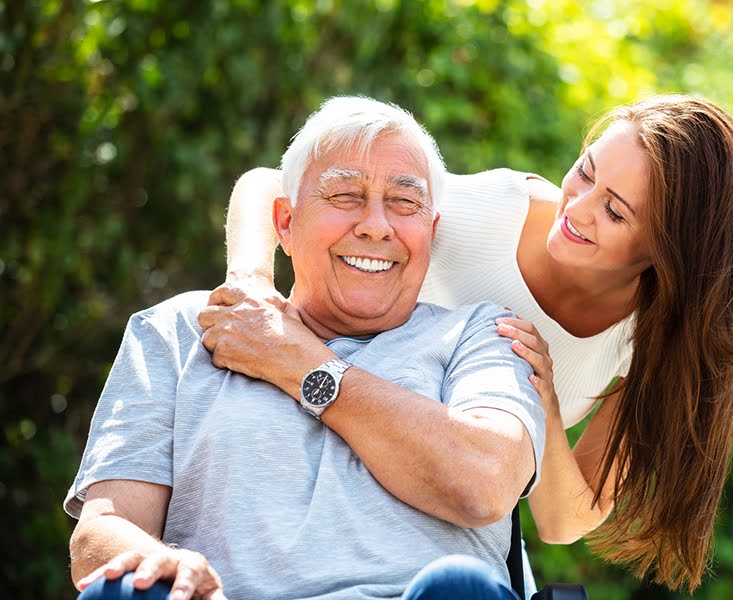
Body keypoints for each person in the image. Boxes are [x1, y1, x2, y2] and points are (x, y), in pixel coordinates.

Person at [209, 94, 733, 592]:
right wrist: (253, 286)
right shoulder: (494, 211)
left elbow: (563, 520)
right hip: (331, 448)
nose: (576, 208)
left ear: (666, 253)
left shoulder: (649, 346)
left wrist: (543, 406)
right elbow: (270, 185)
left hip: (455, 513)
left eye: (615, 210)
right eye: (585, 171)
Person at [64, 96, 546, 600]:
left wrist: (300, 362)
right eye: (344, 196)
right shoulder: (179, 328)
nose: (376, 224)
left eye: (404, 202)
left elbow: (485, 481)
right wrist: (156, 561)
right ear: (286, 223)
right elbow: (101, 533)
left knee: (460, 589)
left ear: (431, 229)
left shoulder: (483, 334)